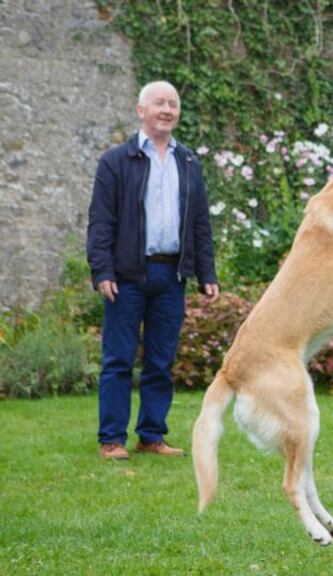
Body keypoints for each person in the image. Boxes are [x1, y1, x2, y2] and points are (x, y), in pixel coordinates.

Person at [87, 81, 219, 461]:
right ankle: (111, 439)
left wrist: (206, 274)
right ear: (140, 110)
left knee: (161, 362)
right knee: (118, 361)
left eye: (173, 104)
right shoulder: (115, 161)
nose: (167, 109)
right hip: (127, 277)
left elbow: (199, 224)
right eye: (159, 103)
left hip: (171, 277)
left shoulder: (188, 161)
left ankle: (151, 435)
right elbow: (101, 222)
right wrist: (102, 271)